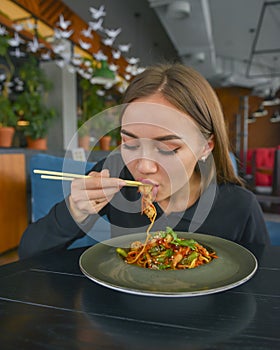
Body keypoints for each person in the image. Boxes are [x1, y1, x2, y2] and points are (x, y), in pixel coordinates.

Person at [19, 63, 270, 259]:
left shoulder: (239, 207)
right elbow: (30, 253)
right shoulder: (114, 173)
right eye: (130, 142)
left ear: (206, 147)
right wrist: (75, 210)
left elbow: (264, 284)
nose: (144, 167)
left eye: (169, 148)